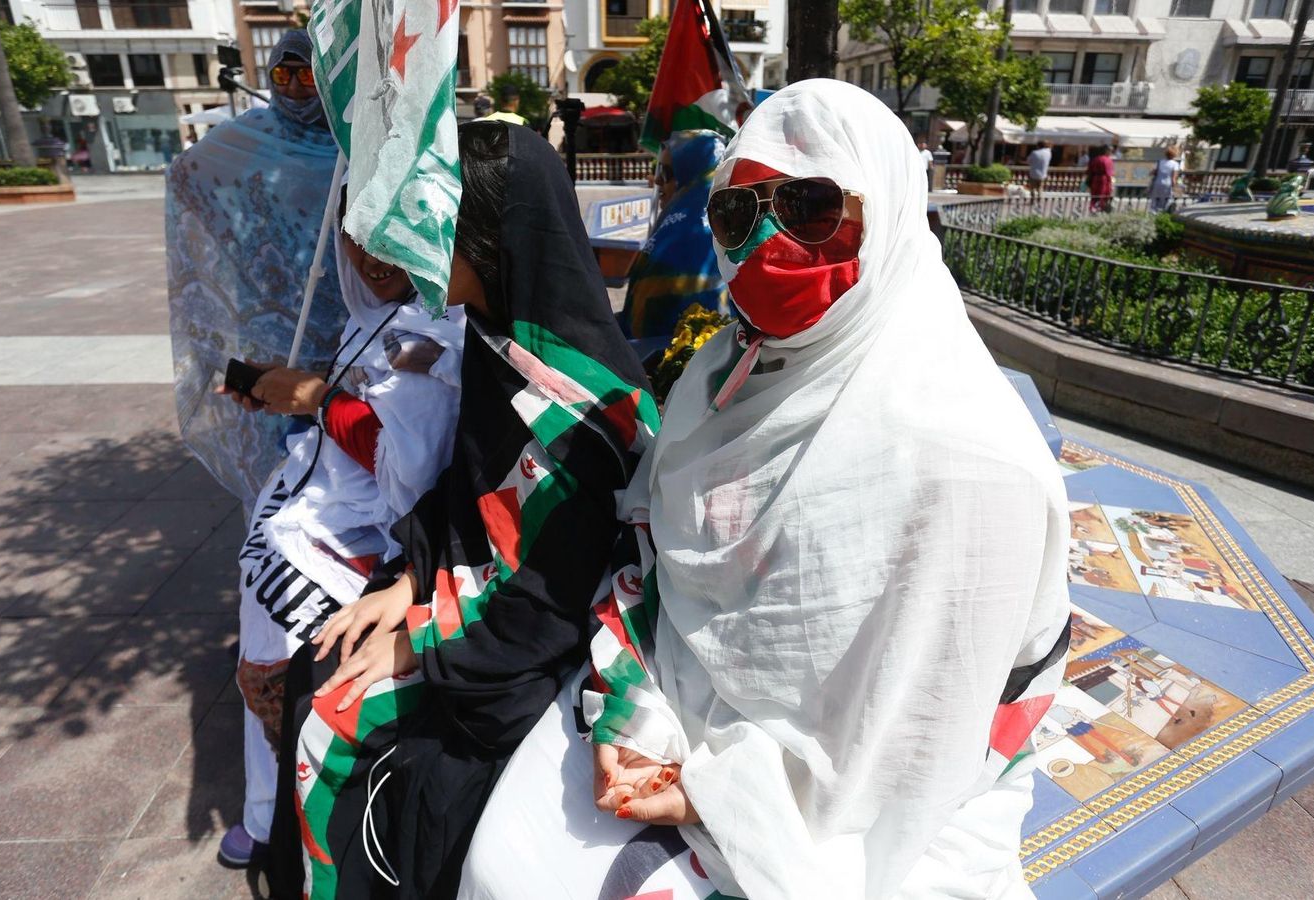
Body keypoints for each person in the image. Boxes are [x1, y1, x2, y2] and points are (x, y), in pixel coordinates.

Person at [457, 79, 1071, 900]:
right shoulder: (719, 380)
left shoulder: (969, 460)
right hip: (674, 703)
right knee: (502, 864)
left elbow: (914, 751)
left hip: (842, 825)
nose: (769, 242)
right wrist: (639, 712)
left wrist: (721, 797)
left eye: (812, 206)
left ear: (883, 208)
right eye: (739, 217)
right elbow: (662, 567)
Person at [265, 120, 656, 899]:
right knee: (322, 658)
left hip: (525, 647)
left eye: (429, 229)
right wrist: (407, 584)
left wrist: (419, 647)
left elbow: (551, 603)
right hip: (462, 590)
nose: (407, 252)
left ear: (486, 234)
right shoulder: (492, 336)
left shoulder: (590, 410)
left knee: (336, 727)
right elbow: (462, 491)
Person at [214, 188, 466, 869]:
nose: (373, 254)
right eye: (358, 235)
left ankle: (288, 843)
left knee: (288, 695)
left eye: (393, 233)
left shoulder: (438, 331)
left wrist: (318, 401)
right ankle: (267, 822)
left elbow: (408, 467)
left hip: (341, 557)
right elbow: (354, 391)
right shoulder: (371, 316)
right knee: (263, 687)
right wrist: (281, 387)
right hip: (291, 532)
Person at [166, 29, 350, 508]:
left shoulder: (353, 141)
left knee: (334, 425)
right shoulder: (252, 134)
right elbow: (187, 173)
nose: (292, 87)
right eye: (281, 75)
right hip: (269, 314)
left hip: (338, 308)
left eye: (307, 75)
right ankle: (275, 537)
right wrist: (233, 240)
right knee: (273, 435)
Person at [617, 130, 731, 339]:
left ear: (692, 175)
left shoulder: (686, 234)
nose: (658, 180)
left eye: (668, 172)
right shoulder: (726, 222)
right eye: (658, 169)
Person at [1148, 145, 1182, 213]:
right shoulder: (1175, 164)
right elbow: (1173, 178)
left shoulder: (1160, 162)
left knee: (1155, 201)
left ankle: (1153, 214)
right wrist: (1176, 187)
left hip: (1157, 183)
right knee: (1165, 202)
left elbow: (1153, 172)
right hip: (1167, 184)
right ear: (1175, 154)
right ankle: (1163, 214)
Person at [1087, 144, 1115, 213]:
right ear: (1106, 151)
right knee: (1102, 195)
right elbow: (1109, 173)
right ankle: (1100, 208)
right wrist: (1111, 183)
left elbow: (1089, 170)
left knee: (1094, 195)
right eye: (1110, 151)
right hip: (1104, 180)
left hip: (1094, 179)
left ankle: (1092, 208)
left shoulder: (1095, 159)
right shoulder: (1107, 160)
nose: (1111, 153)